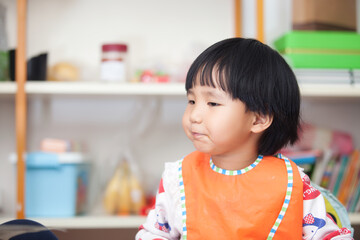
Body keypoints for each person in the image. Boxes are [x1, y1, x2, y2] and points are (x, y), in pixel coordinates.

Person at [135, 38, 353, 239]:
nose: (194, 115)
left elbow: (329, 234)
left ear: (258, 119)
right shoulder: (178, 178)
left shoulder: (292, 182)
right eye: (191, 101)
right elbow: (153, 233)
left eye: (212, 103)